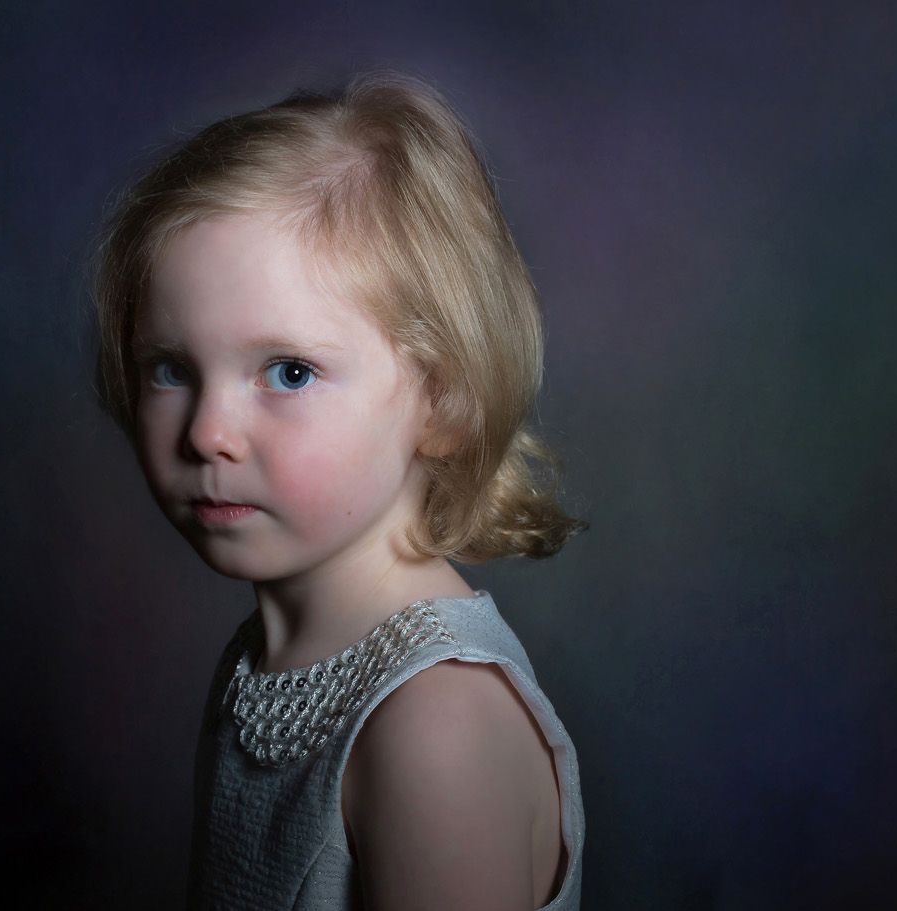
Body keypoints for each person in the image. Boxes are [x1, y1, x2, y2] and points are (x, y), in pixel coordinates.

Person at [90, 70, 588, 910]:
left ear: (445, 401)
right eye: (171, 369)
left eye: (288, 371)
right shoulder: (266, 656)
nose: (208, 430)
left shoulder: (437, 726)